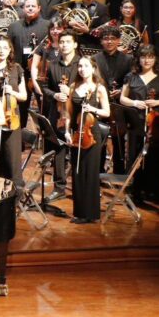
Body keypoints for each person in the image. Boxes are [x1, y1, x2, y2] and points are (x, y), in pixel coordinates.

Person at [119, 45, 159, 205]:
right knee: (136, 155)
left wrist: (157, 101)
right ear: (138, 59)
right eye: (144, 57)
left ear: (155, 59)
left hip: (156, 123)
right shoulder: (131, 76)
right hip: (136, 122)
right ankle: (136, 189)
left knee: (156, 156)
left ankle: (155, 191)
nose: (147, 60)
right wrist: (135, 102)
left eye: (150, 57)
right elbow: (123, 98)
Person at [63, 57, 111, 224]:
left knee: (90, 173)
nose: (82, 69)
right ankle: (79, 212)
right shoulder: (73, 87)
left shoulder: (99, 88)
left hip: (92, 134)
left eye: (86, 66)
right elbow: (68, 112)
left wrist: (92, 108)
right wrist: (67, 132)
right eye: (80, 66)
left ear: (93, 68)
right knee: (77, 173)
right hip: (77, 134)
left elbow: (107, 112)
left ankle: (91, 213)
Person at [39, 30, 81, 199]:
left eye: (68, 42)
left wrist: (70, 92)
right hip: (57, 112)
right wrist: (55, 95)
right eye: (62, 42)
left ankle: (80, 186)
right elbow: (45, 87)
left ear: (75, 44)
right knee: (59, 149)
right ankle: (59, 187)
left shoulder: (82, 64)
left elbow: (91, 87)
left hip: (77, 113)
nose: (64, 45)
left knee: (78, 149)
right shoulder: (53, 64)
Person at [0, 36, 27, 192]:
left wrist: (12, 92)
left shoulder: (16, 68)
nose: (1, 51)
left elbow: (24, 96)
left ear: (10, 50)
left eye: (5, 48)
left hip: (11, 119)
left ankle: (13, 196)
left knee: (11, 159)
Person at [94, 26, 133, 174]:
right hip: (100, 104)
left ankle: (119, 172)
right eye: (106, 38)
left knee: (119, 140)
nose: (109, 41)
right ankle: (99, 171)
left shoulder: (128, 59)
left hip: (119, 105)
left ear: (118, 40)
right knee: (100, 138)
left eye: (112, 38)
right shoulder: (95, 59)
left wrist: (122, 91)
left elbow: (131, 80)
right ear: (101, 41)